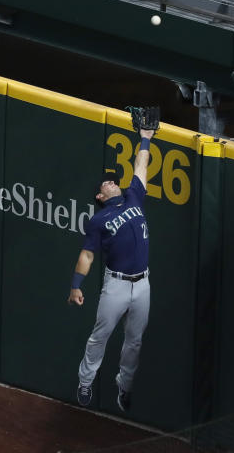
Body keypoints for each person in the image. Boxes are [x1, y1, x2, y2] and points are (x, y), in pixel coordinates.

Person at [70, 127, 156, 412]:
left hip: (142, 284)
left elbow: (141, 166)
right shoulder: (99, 220)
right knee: (100, 335)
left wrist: (145, 138)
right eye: (106, 183)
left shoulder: (134, 197)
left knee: (134, 342)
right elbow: (86, 254)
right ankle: (85, 380)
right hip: (116, 285)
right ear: (99, 195)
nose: (111, 183)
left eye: (113, 181)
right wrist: (76, 284)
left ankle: (125, 386)